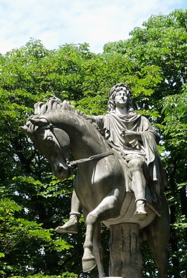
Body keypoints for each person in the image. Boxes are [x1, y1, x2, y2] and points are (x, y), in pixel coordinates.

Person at [55, 83, 165, 233]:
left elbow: (153, 136)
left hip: (134, 153)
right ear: (113, 99)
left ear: (129, 99)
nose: (122, 96)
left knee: (135, 164)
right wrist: (72, 112)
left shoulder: (141, 119)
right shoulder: (107, 119)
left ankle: (140, 203)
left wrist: (136, 135)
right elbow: (87, 121)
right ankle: (73, 218)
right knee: (83, 175)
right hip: (114, 155)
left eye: (125, 94)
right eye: (119, 94)